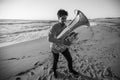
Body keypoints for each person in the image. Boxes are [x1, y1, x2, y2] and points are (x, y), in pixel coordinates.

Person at [48, 9, 79, 78]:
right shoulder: (54, 27)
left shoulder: (66, 26)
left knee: (69, 59)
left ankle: (71, 70)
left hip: (63, 47)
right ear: (58, 18)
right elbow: (49, 39)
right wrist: (60, 41)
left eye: (65, 18)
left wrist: (73, 36)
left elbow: (67, 38)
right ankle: (54, 70)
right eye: (62, 18)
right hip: (54, 47)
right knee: (56, 60)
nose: (64, 20)